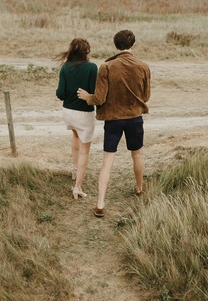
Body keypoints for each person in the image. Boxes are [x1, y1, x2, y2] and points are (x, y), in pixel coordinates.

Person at [77, 29, 151, 218]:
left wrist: (87, 97)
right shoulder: (143, 66)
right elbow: (146, 96)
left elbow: (99, 99)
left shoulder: (107, 67)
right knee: (136, 155)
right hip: (134, 118)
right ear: (133, 45)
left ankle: (100, 204)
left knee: (107, 162)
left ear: (115, 46)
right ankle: (139, 188)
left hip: (113, 120)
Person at [55, 38, 98, 199]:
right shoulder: (92, 67)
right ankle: (77, 187)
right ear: (87, 52)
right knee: (84, 151)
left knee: (74, 136)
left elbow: (60, 94)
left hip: (68, 112)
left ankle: (75, 169)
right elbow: (95, 92)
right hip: (84, 114)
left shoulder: (65, 67)